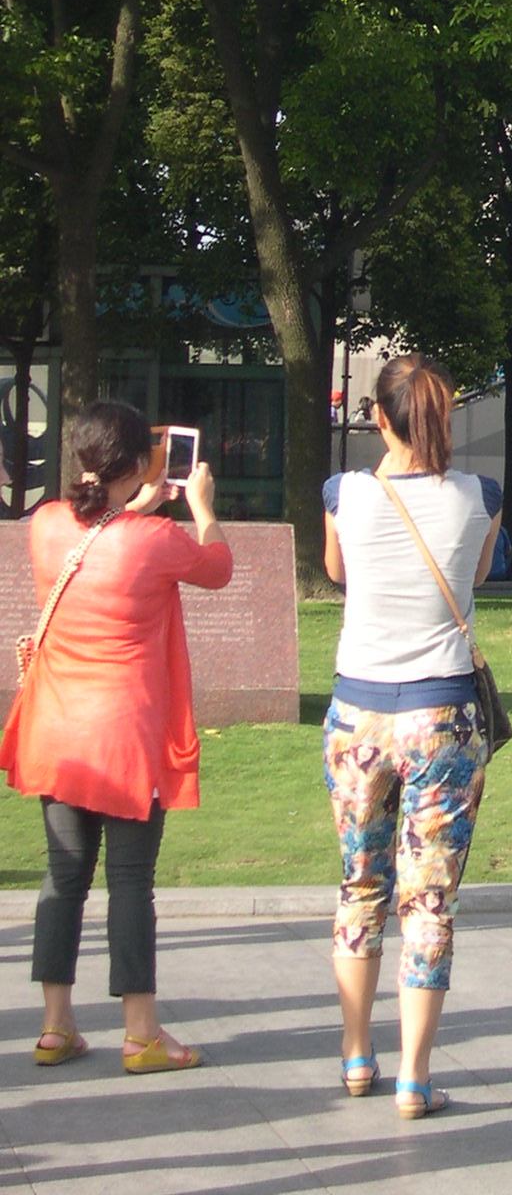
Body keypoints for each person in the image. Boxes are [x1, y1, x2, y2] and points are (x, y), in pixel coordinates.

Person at [0, 399, 233, 1071]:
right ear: (137, 464)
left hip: (58, 731)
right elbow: (216, 568)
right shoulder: (153, 539)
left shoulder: (46, 523)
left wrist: (133, 505)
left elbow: (96, 536)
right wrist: (203, 508)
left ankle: (55, 1026)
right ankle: (140, 1032)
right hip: (126, 736)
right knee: (131, 882)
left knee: (63, 877)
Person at [321, 352, 503, 1116]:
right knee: (429, 900)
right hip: (443, 716)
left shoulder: (345, 493)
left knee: (360, 885)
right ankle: (414, 1076)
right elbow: (478, 577)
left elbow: (337, 572)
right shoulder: (480, 497)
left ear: (378, 417)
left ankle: (355, 1054)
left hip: (358, 712)